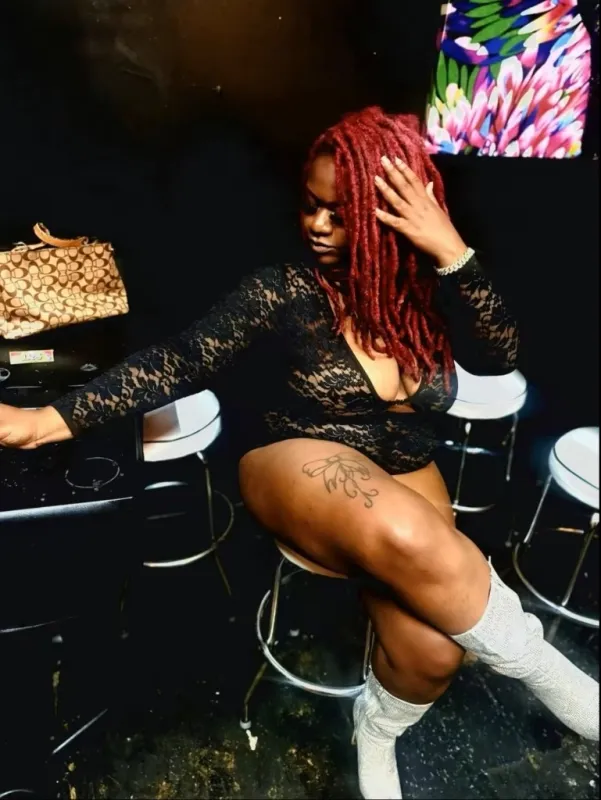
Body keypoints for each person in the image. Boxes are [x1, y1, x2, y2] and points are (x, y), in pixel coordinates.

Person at [0, 106, 597, 798]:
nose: (316, 225)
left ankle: (374, 728)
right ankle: (549, 672)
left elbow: (498, 356)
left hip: (404, 469)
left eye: (340, 215)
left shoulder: (425, 294)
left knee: (434, 653)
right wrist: (42, 423)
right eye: (311, 205)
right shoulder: (284, 291)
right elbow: (181, 359)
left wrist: (450, 250)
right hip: (296, 459)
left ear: (390, 216)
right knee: (405, 531)